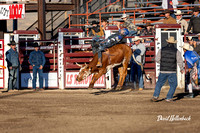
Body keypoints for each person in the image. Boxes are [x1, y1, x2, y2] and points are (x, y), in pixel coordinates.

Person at [151, 36, 184, 102]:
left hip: (163, 70)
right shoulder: (176, 51)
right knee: (173, 84)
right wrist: (181, 68)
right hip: (172, 70)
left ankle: (155, 96)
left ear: (167, 42)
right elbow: (180, 61)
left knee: (159, 83)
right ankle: (169, 97)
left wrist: (162, 63)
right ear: (174, 43)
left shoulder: (161, 49)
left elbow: (157, 59)